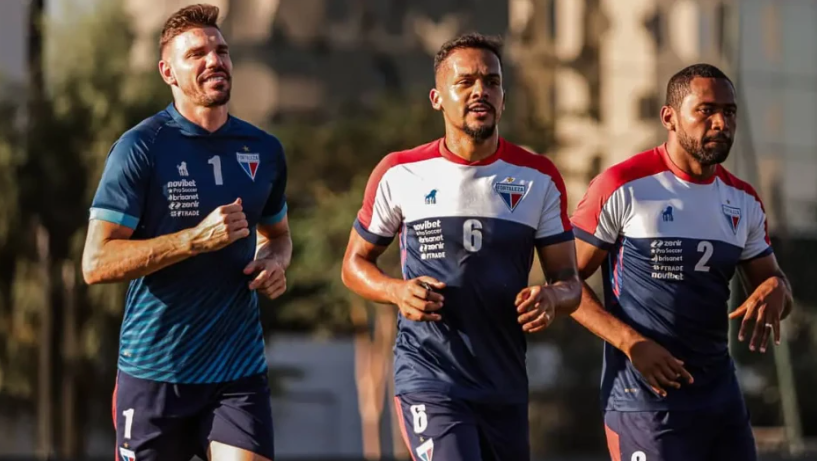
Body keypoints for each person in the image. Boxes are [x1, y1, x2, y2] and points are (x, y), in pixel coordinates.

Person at [341, 32, 581, 461]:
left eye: (492, 82)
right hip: (430, 377)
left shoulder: (539, 177)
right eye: (465, 82)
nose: (480, 92)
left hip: (505, 384)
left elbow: (570, 281)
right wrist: (397, 290)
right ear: (437, 97)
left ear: (504, 97)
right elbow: (354, 265)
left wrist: (551, 297)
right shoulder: (400, 172)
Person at [81, 5, 290, 461]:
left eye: (221, 50)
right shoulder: (141, 148)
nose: (214, 60)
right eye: (196, 53)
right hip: (155, 372)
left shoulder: (264, 150)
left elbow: (278, 234)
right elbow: (95, 264)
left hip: (237, 370)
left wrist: (275, 261)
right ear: (168, 72)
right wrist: (194, 239)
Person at [570, 63, 793, 461]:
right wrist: (631, 342)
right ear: (669, 117)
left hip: (720, 401)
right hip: (643, 401)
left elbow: (775, 285)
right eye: (706, 110)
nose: (721, 122)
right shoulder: (622, 185)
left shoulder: (743, 200)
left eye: (729, 111)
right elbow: (563, 282)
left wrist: (778, 288)